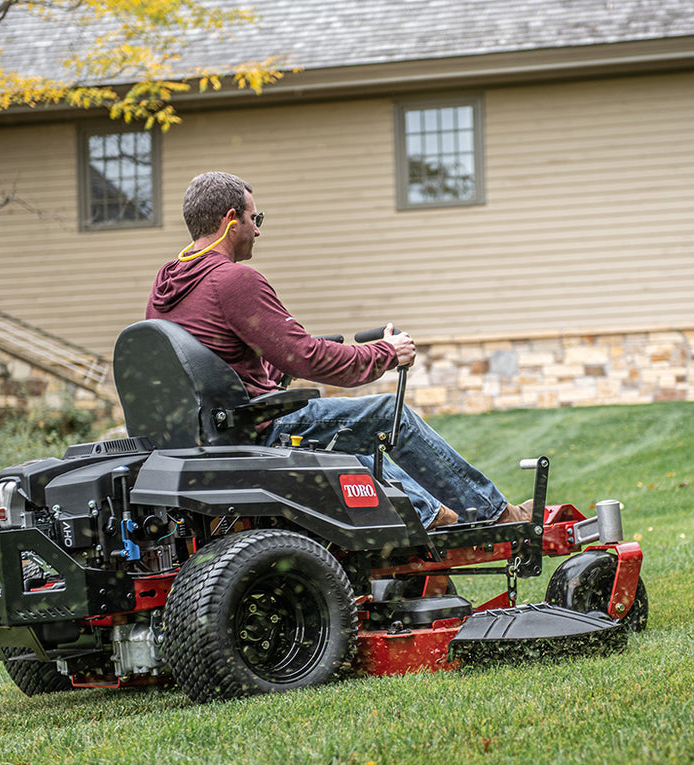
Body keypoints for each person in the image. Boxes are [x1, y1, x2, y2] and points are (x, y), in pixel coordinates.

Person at [146, 171, 531, 528]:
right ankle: (494, 513)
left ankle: (431, 519)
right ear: (231, 219)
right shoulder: (233, 280)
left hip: (207, 435)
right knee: (382, 414)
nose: (257, 231)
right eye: (254, 218)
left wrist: (278, 371)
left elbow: (217, 362)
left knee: (354, 452)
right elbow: (307, 357)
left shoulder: (167, 286)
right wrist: (386, 352)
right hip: (255, 430)